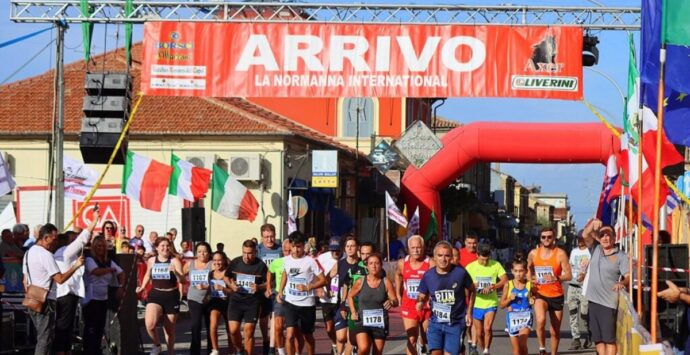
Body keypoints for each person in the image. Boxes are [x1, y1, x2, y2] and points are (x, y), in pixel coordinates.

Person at [22, 224, 86, 355]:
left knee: (42, 337)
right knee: (44, 339)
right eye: (54, 238)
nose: (56, 242)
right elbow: (60, 279)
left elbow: (24, 279)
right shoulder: (46, 255)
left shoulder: (29, 252)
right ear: (45, 238)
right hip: (46, 301)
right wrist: (76, 266)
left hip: (31, 300)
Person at [417, 241, 476, 355]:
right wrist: (420, 302)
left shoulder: (460, 273)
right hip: (436, 323)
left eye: (447, 255)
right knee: (436, 353)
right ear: (434, 257)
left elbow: (473, 290)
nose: (443, 259)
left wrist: (469, 312)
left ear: (451, 257)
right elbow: (422, 295)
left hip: (455, 323)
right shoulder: (428, 275)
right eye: (440, 255)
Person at [54, 213, 100, 355]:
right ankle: (62, 351)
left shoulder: (62, 253)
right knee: (64, 327)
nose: (76, 243)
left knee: (67, 328)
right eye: (72, 239)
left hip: (67, 294)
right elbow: (82, 239)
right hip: (66, 294)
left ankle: (66, 351)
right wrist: (94, 221)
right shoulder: (66, 252)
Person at [582, 220, 629, 355]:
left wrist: (622, 283)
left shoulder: (621, 256)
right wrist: (593, 223)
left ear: (614, 238)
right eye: (602, 235)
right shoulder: (596, 249)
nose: (605, 238)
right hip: (593, 302)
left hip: (608, 304)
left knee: (609, 340)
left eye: (608, 235)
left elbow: (629, 276)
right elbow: (585, 234)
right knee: (598, 339)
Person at [277, 232, 328, 355]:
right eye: (293, 246)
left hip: (307, 304)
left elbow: (324, 280)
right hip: (290, 302)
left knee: (307, 335)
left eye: (299, 246)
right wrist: (280, 290)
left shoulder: (311, 261)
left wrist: (309, 286)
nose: (296, 250)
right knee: (289, 335)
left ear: (303, 246)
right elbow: (285, 274)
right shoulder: (287, 260)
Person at [136, 237, 185, 355]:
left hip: (171, 296)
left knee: (169, 330)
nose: (165, 248)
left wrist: (175, 272)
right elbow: (148, 274)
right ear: (157, 248)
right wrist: (142, 287)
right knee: (150, 324)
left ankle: (170, 352)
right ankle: (157, 345)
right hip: (156, 294)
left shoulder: (174, 261)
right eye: (162, 245)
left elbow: (182, 280)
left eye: (167, 245)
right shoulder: (152, 260)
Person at [527, 227, 572, 355]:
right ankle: (542, 349)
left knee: (555, 330)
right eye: (543, 237)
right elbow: (528, 268)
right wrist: (531, 282)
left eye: (549, 237)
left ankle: (553, 353)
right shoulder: (533, 254)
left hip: (556, 294)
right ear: (540, 238)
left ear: (553, 238)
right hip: (540, 293)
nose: (546, 239)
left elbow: (569, 275)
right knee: (540, 320)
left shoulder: (560, 254)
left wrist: (556, 277)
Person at [348, 253, 398, 355]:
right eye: (371, 263)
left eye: (376, 263)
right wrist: (353, 311)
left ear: (381, 265)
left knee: (377, 352)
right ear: (367, 266)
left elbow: (395, 300)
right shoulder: (360, 281)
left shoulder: (386, 282)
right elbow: (350, 296)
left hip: (380, 322)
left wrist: (391, 302)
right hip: (362, 321)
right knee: (364, 348)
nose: (374, 266)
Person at [83, 235, 125, 355]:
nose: (101, 248)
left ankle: (97, 351)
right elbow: (95, 271)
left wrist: (121, 287)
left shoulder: (108, 261)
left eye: (103, 246)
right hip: (91, 299)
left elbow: (121, 273)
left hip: (103, 298)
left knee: (100, 328)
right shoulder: (90, 259)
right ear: (94, 247)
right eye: (98, 246)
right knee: (90, 329)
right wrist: (110, 271)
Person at [226, 239, 268, 355]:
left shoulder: (261, 265)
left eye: (249, 253)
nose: (246, 256)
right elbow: (226, 277)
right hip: (236, 301)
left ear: (255, 252)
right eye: (244, 253)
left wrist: (259, 287)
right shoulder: (235, 262)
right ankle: (240, 350)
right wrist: (231, 285)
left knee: (248, 332)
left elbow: (269, 283)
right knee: (233, 331)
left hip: (252, 302)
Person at [465, 245, 508, 355]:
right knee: (479, 333)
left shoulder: (496, 265)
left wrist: (493, 287)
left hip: (491, 302)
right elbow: (464, 284)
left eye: (487, 259)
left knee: (487, 328)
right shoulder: (470, 267)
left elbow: (504, 280)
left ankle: (486, 351)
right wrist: (472, 286)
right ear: (477, 255)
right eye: (482, 259)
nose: (484, 262)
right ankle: (483, 347)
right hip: (476, 303)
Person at [395, 235, 434, 355]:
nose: (416, 250)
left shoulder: (430, 263)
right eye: (413, 248)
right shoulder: (402, 263)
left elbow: (436, 282)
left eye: (418, 247)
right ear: (408, 248)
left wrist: (432, 297)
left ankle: (422, 345)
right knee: (411, 338)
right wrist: (398, 293)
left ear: (423, 248)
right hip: (409, 306)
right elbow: (398, 275)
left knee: (425, 337)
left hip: (426, 306)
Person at [266, 239, 299, 355]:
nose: (288, 253)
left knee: (293, 330)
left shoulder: (299, 262)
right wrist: (268, 287)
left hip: (295, 298)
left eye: (290, 250)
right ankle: (281, 351)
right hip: (280, 296)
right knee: (278, 326)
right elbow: (269, 272)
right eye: (286, 251)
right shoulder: (278, 262)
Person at [499, 254, 533, 355]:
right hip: (512, 318)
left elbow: (533, 298)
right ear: (512, 271)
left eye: (521, 271)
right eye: (516, 271)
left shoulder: (529, 284)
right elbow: (501, 305)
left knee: (522, 343)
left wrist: (532, 299)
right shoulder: (508, 285)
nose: (518, 274)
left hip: (525, 316)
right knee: (516, 350)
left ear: (526, 272)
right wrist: (509, 299)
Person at [257, 223, 282, 355]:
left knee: (274, 317)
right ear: (261, 237)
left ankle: (272, 347)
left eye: (272, 236)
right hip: (261, 288)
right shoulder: (258, 250)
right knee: (263, 319)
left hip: (275, 288)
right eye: (266, 237)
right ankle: (266, 339)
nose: (269, 240)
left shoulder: (280, 250)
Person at [184, 242, 213, 355]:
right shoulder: (190, 264)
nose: (202, 254)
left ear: (209, 253)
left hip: (209, 299)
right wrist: (175, 272)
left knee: (210, 326)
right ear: (196, 253)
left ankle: (211, 350)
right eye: (199, 251)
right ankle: (195, 352)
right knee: (196, 325)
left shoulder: (212, 264)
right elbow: (181, 276)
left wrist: (206, 285)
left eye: (205, 251)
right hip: (194, 298)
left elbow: (219, 278)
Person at [317, 237, 342, 355]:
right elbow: (314, 274)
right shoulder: (322, 258)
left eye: (338, 250)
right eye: (333, 250)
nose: (335, 253)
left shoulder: (347, 257)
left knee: (341, 327)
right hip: (326, 298)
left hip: (341, 298)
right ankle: (335, 344)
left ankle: (341, 347)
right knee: (329, 327)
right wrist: (320, 288)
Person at [567, 235, 591, 350]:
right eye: (578, 239)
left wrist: (585, 275)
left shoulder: (590, 251)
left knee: (584, 314)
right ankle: (575, 339)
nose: (580, 241)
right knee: (572, 313)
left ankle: (589, 334)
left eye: (582, 239)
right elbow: (570, 265)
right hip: (572, 286)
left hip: (585, 287)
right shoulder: (573, 251)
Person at [209, 251, 234, 355]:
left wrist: (224, 289)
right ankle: (215, 350)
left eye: (219, 260)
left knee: (231, 330)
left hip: (229, 303)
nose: (217, 262)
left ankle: (232, 351)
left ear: (224, 260)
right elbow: (208, 289)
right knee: (213, 323)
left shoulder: (229, 274)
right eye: (214, 260)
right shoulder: (210, 274)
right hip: (216, 302)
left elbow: (233, 291)